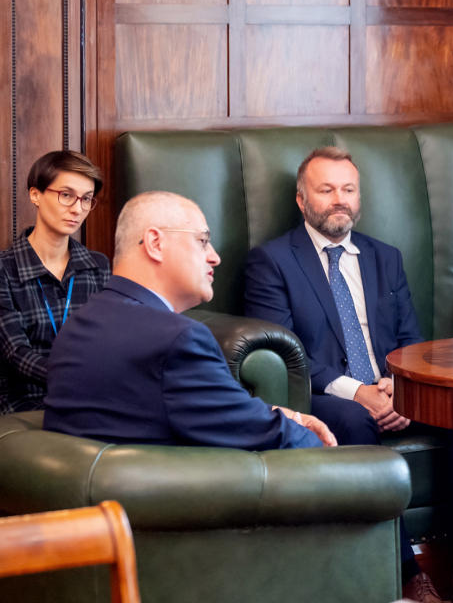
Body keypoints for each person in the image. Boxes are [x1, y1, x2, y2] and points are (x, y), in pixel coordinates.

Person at [244, 147, 453, 603]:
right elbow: (286, 354)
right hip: (325, 394)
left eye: (348, 189)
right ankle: (407, 574)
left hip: (394, 387)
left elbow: (411, 342)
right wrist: (360, 394)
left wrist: (399, 389)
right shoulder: (272, 261)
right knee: (350, 422)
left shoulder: (383, 257)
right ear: (301, 199)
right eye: (326, 189)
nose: (339, 200)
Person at [44, 191, 331, 450]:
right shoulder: (177, 338)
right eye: (203, 241)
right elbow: (259, 433)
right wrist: (316, 444)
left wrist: (287, 415)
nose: (215, 257)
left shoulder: (79, 324)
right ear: (155, 243)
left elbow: (194, 411)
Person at [0, 151, 111, 415]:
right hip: (26, 401)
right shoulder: (5, 268)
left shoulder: (98, 265)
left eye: (86, 199)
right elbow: (15, 353)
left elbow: (109, 340)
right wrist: (79, 381)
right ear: (35, 194)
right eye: (66, 195)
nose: (77, 208)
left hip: (93, 395)